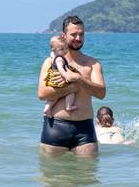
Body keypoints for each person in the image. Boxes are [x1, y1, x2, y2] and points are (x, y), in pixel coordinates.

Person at [38, 15, 106, 156]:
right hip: (55, 127)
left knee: (88, 176)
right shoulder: (50, 63)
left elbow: (101, 93)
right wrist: (69, 88)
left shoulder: (92, 64)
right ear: (64, 36)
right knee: (52, 177)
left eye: (81, 34)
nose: (78, 38)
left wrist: (79, 79)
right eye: (73, 34)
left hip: (84, 130)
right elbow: (42, 94)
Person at [42, 35, 78, 115]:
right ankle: (69, 106)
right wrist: (65, 75)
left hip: (53, 80)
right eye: (61, 49)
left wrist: (53, 52)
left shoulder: (54, 55)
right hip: (60, 78)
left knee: (55, 97)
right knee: (71, 91)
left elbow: (52, 54)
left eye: (66, 48)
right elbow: (60, 68)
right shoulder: (60, 59)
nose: (65, 51)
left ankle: (47, 108)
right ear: (54, 49)